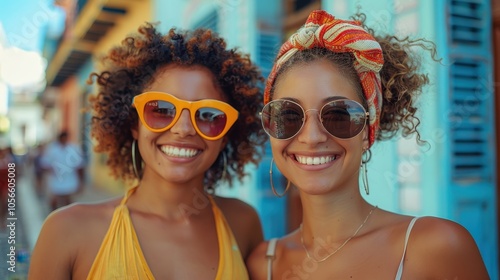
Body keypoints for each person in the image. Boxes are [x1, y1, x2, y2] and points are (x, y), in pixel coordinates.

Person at [247, 10, 490, 280]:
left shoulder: (436, 248)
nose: (311, 137)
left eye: (338, 114)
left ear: (367, 130)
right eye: (289, 115)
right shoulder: (262, 265)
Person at [28, 23, 267, 280]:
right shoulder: (66, 231)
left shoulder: (243, 223)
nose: (183, 129)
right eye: (162, 110)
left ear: (225, 136)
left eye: (209, 115)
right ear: (134, 124)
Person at [39, 131, 85, 210]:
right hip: (56, 180)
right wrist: (51, 170)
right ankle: (54, 217)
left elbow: (80, 166)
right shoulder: (52, 150)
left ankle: (68, 218)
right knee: (54, 201)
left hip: (70, 179)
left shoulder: (73, 148)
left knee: (68, 201)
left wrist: (81, 182)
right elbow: (44, 164)